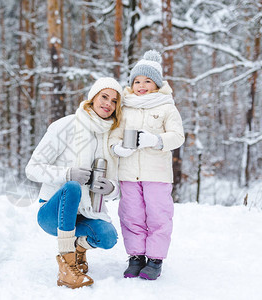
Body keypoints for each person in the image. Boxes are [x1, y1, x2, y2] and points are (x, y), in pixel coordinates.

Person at [26, 77, 123, 289]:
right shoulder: (65, 126)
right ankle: (67, 265)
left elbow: (115, 184)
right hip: (52, 212)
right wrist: (68, 173)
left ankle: (80, 248)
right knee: (71, 187)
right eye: (104, 97)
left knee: (108, 237)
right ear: (93, 97)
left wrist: (112, 189)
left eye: (114, 101)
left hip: (87, 212)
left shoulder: (111, 137)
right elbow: (32, 168)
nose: (108, 104)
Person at [109, 50, 185, 280]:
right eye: (137, 81)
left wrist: (157, 140)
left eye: (147, 81)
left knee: (158, 216)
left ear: (157, 84)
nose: (141, 85)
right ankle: (136, 257)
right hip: (129, 173)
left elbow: (178, 136)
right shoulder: (125, 107)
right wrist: (117, 148)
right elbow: (113, 136)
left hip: (157, 174)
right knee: (131, 215)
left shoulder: (167, 107)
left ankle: (155, 259)